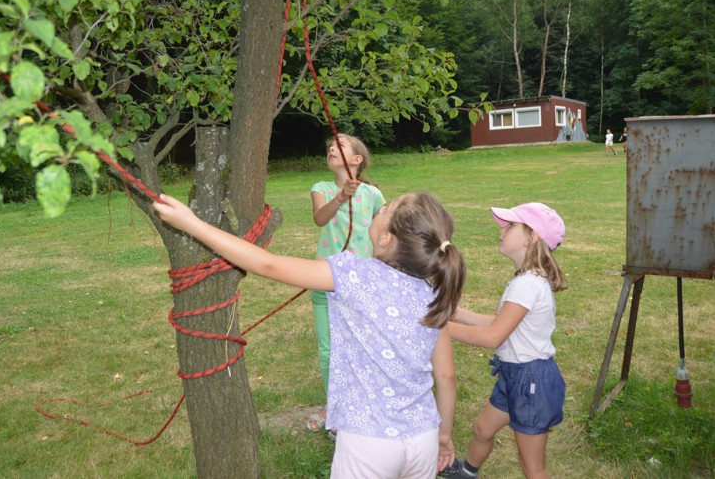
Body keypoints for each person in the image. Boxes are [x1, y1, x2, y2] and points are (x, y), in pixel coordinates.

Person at [153, 192, 465, 478]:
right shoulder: (434, 294)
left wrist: (191, 224)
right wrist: (444, 436)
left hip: (368, 441)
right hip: (423, 437)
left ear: (385, 238)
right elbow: (447, 376)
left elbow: (269, 264)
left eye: (385, 210)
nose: (379, 210)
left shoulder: (352, 274)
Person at [439, 203, 567, 479]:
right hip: (515, 375)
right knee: (482, 429)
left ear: (531, 238)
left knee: (532, 465)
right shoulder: (526, 280)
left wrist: (442, 328)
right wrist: (458, 314)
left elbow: (493, 336)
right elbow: (501, 325)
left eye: (510, 225)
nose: (502, 229)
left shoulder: (527, 285)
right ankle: (468, 472)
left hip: (532, 381)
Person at [308, 134, 385, 437]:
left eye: (339, 145)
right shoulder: (321, 188)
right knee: (329, 350)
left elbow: (383, 231)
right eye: (329, 144)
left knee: (362, 344)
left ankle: (365, 399)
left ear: (357, 160)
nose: (330, 147)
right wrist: (340, 197)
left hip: (362, 282)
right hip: (324, 279)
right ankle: (333, 406)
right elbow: (319, 217)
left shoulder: (372, 195)